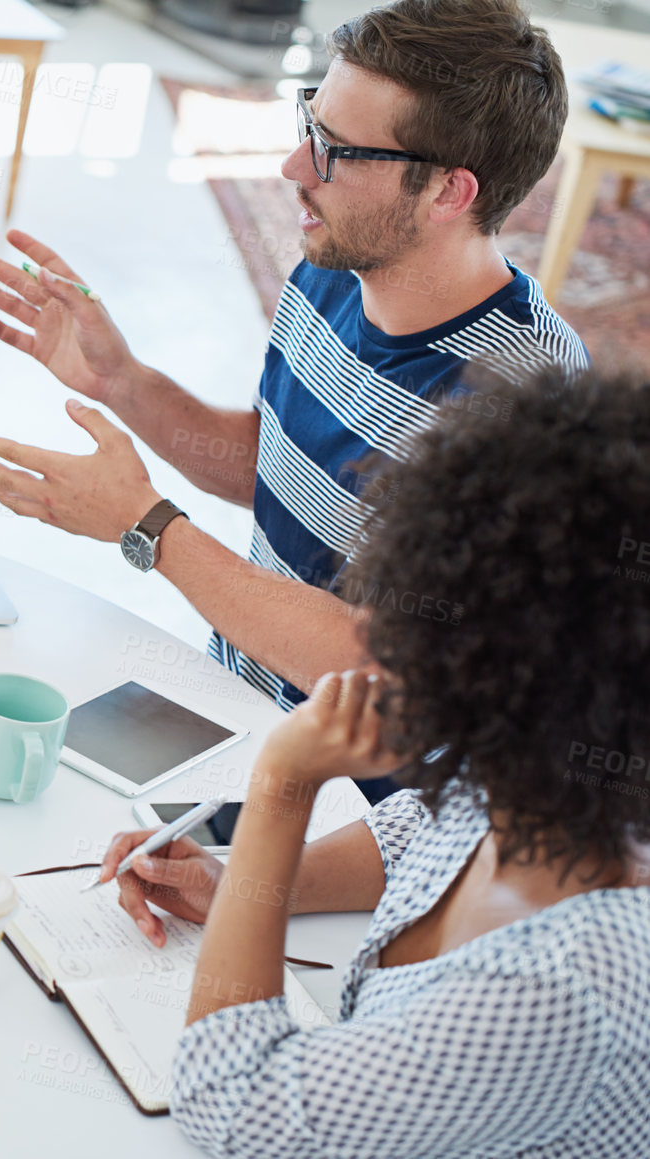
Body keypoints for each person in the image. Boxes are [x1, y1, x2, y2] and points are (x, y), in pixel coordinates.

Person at [0, 0, 586, 797]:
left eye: (335, 150)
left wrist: (147, 527)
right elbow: (271, 460)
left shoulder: (525, 406)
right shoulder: (334, 268)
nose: (293, 168)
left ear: (445, 193)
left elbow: (383, 666)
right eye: (307, 124)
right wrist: (121, 380)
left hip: (355, 804)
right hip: (236, 712)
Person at [94, 366, 650, 1157]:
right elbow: (419, 831)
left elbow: (229, 1107)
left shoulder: (555, 991)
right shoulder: (547, 771)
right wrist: (240, 890)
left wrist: (283, 787)